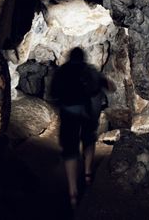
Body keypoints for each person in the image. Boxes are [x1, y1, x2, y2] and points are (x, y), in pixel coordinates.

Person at [51, 47, 115, 208]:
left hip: (69, 113)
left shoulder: (62, 71)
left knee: (70, 149)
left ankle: (72, 190)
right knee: (88, 139)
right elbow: (110, 87)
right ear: (83, 58)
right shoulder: (89, 70)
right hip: (87, 112)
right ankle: (87, 174)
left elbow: (53, 93)